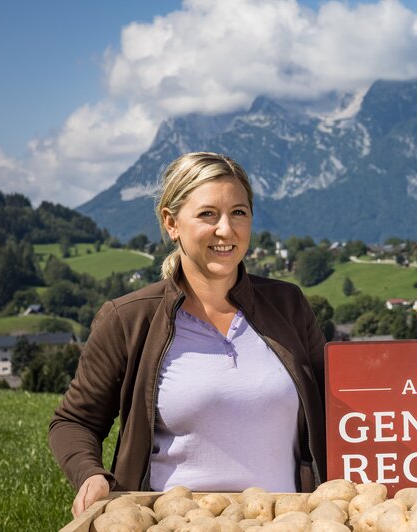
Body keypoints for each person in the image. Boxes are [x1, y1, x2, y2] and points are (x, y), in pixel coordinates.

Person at [49, 152, 327, 517]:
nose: (226, 230)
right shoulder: (129, 319)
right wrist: (90, 474)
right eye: (208, 214)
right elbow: (75, 421)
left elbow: (339, 400)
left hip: (284, 522)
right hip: (173, 522)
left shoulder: (287, 305)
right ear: (171, 223)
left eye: (239, 213)